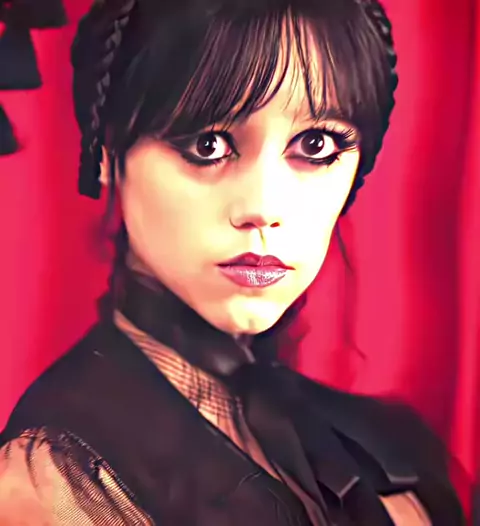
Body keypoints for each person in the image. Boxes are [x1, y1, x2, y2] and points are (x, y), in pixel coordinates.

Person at [0, 0, 467, 524]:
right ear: (108, 154)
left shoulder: (380, 442)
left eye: (316, 145)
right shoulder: (55, 478)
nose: (263, 208)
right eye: (208, 145)